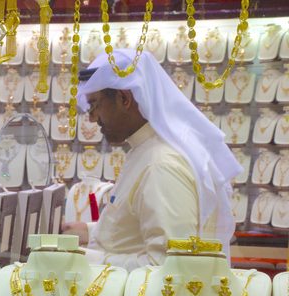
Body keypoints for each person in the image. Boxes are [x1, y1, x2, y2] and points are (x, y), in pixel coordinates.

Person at [61, 49, 242, 271]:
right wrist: (86, 231)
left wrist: (83, 258)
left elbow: (169, 267)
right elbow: (133, 229)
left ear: (124, 99)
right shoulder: (144, 150)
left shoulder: (161, 165)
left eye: (95, 105)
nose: (91, 118)